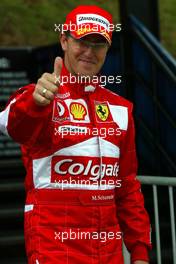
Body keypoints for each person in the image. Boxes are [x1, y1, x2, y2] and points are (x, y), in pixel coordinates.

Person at [0, 5, 152, 264]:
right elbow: (12, 125)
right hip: (54, 249)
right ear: (64, 41)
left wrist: (139, 252)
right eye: (82, 41)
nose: (89, 52)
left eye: (98, 44)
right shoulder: (41, 95)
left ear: (107, 49)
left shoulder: (121, 109)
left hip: (108, 251)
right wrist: (36, 103)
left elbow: (127, 187)